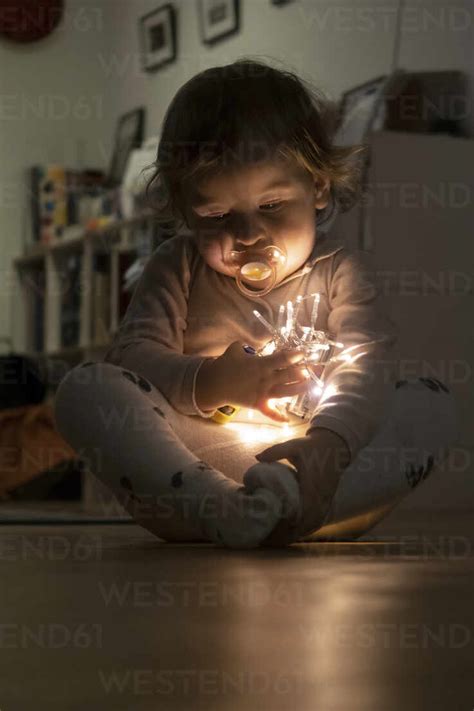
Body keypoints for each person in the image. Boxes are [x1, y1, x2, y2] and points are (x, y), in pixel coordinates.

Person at [53, 58, 457, 548]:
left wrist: (328, 444)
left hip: (314, 465)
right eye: (217, 215)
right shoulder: (176, 266)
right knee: (85, 388)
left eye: (271, 206)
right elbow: (132, 360)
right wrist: (211, 381)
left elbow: (367, 364)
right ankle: (221, 506)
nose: (247, 235)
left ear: (319, 186)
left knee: (431, 403)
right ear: (185, 214)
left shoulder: (340, 270)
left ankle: (296, 505)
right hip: (200, 460)